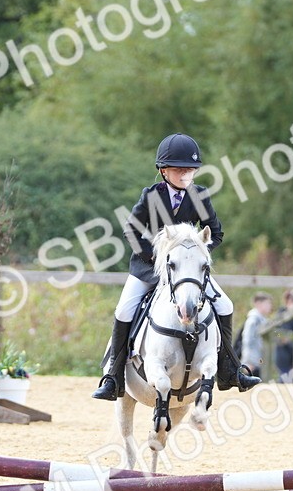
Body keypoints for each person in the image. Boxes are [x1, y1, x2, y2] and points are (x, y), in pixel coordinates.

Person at [91, 134, 262, 400]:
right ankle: (113, 377)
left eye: (190, 170)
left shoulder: (200, 195)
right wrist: (156, 257)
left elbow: (216, 233)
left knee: (225, 305)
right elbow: (131, 230)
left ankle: (230, 369)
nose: (185, 175)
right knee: (124, 309)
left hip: (188, 272)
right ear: (163, 171)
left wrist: (195, 258)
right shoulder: (151, 196)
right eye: (179, 170)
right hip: (149, 268)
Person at [274, 289, 293, 383]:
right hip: (284, 356)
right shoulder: (282, 315)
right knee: (285, 380)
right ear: (290, 302)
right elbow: (281, 336)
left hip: (291, 356)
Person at [240, 292, 273, 377]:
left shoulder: (262, 319)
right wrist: (248, 362)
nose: (270, 306)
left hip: (260, 362)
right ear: (258, 304)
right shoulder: (253, 320)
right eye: (267, 303)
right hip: (253, 364)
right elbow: (247, 341)